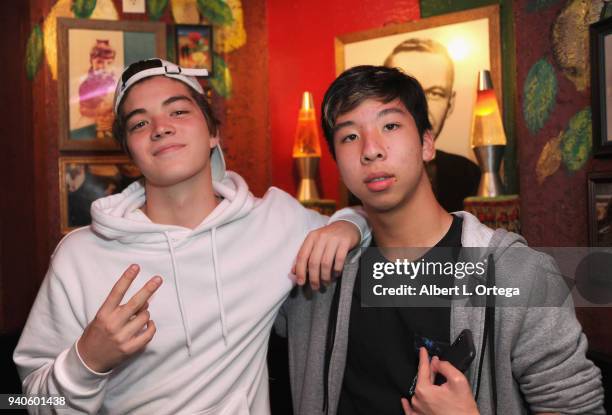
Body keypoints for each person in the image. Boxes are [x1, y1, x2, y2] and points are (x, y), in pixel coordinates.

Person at [14, 58, 370, 414]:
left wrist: (350, 225)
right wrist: (88, 359)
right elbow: (25, 401)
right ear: (129, 151)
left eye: (179, 112)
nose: (160, 128)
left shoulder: (273, 222)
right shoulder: (80, 256)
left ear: (214, 132)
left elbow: (380, 218)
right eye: (139, 122)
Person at [276, 65, 604, 414]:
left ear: (427, 144)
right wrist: (351, 221)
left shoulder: (519, 276)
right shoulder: (320, 275)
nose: (371, 150)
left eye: (390, 125)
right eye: (349, 137)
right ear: (338, 163)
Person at [384, 38, 481, 212]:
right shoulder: (369, 172)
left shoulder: (468, 173)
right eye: (406, 92)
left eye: (435, 93)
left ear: (450, 104)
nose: (421, 105)